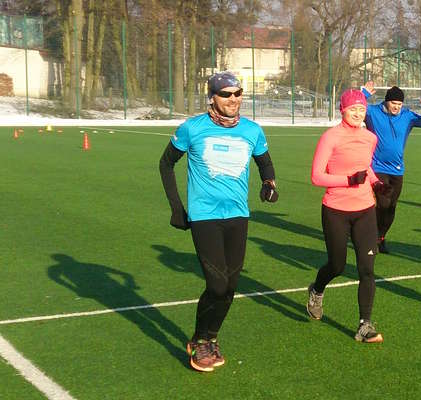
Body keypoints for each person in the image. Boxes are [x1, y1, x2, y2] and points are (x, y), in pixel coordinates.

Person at [159, 71, 279, 372]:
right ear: (212, 97)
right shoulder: (192, 128)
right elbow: (166, 163)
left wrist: (269, 183)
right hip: (204, 216)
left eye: (238, 93)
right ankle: (199, 341)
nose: (233, 99)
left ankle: (211, 337)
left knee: (231, 286)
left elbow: (264, 160)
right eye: (226, 94)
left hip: (238, 215)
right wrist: (177, 208)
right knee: (217, 284)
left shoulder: (252, 130)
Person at [307, 88, 391, 343]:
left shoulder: (369, 138)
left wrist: (376, 184)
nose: (357, 113)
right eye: (353, 109)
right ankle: (317, 289)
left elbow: (365, 167)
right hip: (336, 210)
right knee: (337, 265)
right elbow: (316, 176)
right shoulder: (330, 137)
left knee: (367, 269)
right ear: (343, 110)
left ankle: (365, 325)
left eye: (361, 109)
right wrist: (348, 180)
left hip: (365, 209)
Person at [360, 81, 421, 254]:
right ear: (386, 101)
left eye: (399, 104)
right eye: (394, 103)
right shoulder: (372, 113)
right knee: (383, 203)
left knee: (392, 206)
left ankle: (381, 237)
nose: (396, 107)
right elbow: (355, 108)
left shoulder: (407, 116)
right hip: (377, 166)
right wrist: (363, 95)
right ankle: (371, 237)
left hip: (397, 169)